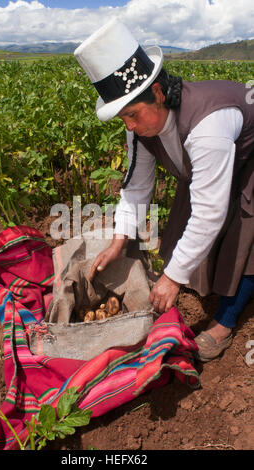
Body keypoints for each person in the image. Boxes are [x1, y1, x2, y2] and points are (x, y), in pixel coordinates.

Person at [74, 18, 254, 362]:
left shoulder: (208, 126)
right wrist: (118, 241)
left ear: (157, 93)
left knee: (244, 233)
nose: (129, 124)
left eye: (133, 114)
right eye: (123, 117)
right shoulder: (139, 127)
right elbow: (136, 188)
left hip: (252, 159)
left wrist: (171, 278)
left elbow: (209, 213)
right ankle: (196, 283)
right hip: (211, 164)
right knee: (186, 230)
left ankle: (225, 322)